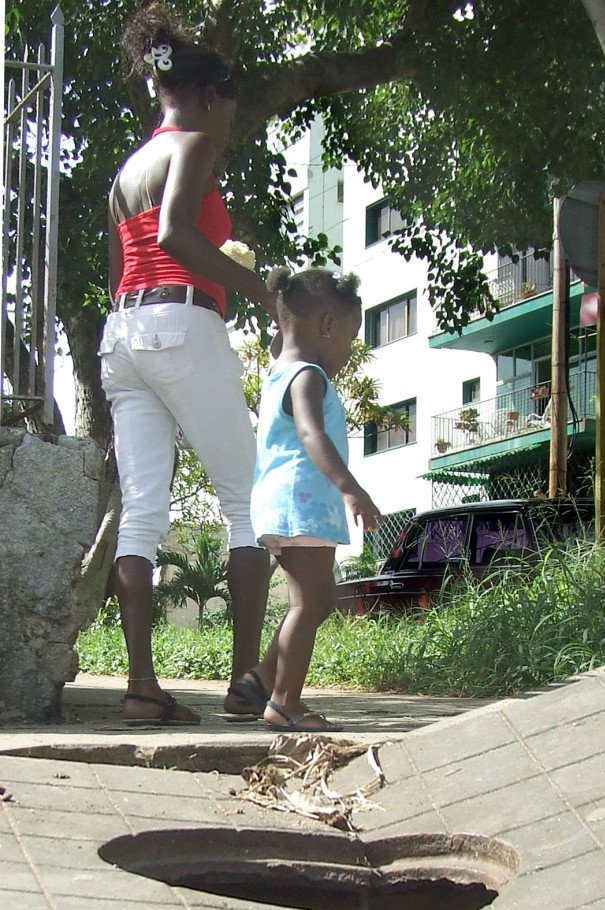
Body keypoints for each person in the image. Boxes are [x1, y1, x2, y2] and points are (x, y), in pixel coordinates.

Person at [101, 5, 275, 724]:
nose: (227, 129)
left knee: (141, 515)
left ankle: (141, 686)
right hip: (182, 322)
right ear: (207, 99)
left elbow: (118, 271)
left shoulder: (123, 172)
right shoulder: (193, 144)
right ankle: (244, 684)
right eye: (228, 114)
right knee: (249, 503)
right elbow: (175, 233)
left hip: (124, 333)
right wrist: (263, 293)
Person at [249, 267, 381, 732]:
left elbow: (281, 338)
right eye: (349, 338)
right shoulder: (308, 376)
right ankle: (284, 702)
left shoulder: (278, 368)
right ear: (327, 325)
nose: (347, 351)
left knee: (319, 600)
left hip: (289, 503)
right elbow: (310, 432)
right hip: (299, 502)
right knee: (306, 605)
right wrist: (352, 488)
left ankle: (264, 682)